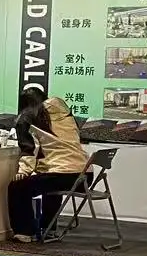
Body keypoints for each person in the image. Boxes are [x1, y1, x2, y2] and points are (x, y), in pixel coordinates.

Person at [7, 86, 90, 243]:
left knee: (17, 187)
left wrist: (23, 171)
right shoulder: (65, 113)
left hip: (63, 175)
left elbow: (29, 149)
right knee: (47, 183)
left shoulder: (28, 117)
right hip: (84, 175)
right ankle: (48, 228)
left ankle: (25, 232)